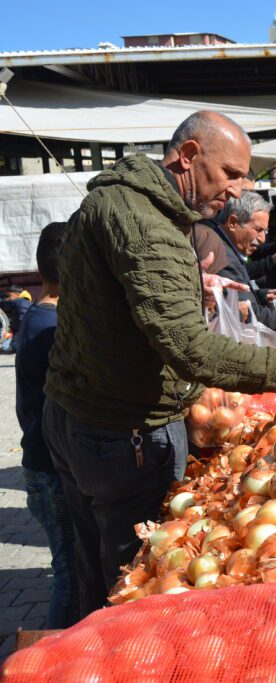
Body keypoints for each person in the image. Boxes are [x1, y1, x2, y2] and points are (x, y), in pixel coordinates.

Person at [43, 111, 276, 616]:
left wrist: (192, 285)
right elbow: (192, 350)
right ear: (187, 156)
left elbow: (113, 292)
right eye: (230, 173)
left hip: (73, 415)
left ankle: (82, 639)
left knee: (89, 567)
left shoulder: (115, 198)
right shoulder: (149, 224)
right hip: (124, 434)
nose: (237, 190)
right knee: (135, 580)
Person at [15, 222, 79, 628]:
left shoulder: (37, 315)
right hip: (50, 472)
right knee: (68, 575)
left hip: (41, 467)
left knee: (68, 569)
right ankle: (53, 654)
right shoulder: (53, 327)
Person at [195, 191, 276, 342]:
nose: (262, 239)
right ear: (233, 223)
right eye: (258, 230)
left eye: (265, 231)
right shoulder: (220, 251)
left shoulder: (225, 243)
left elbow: (237, 296)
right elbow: (246, 311)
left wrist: (259, 295)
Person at [1, 287, 33, 352]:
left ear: (17, 295)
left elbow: (22, 320)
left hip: (19, 333)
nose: (8, 299)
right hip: (22, 333)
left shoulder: (19, 302)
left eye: (9, 296)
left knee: (5, 345)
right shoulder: (26, 302)